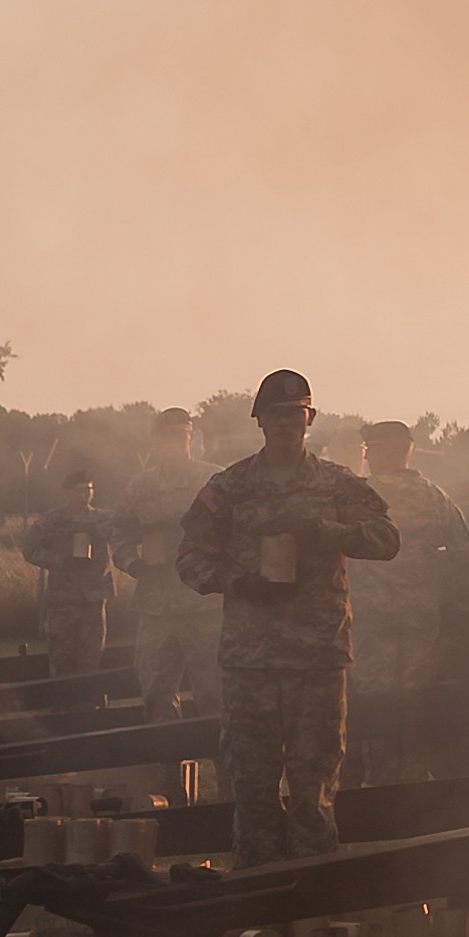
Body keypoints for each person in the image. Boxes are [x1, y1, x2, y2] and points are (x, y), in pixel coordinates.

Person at [175, 370, 400, 869]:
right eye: (275, 415)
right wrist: (236, 581)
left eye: (294, 415)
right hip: (249, 660)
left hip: (318, 657)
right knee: (252, 783)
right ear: (259, 422)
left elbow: (387, 540)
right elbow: (189, 558)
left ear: (310, 419)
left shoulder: (337, 485)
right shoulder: (229, 487)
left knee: (313, 786)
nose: (284, 424)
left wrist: (327, 530)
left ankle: (312, 906)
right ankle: (254, 903)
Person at [351, 419, 469, 782]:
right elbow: (464, 558)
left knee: (376, 713)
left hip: (369, 625)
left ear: (387, 450)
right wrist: (457, 604)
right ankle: (415, 793)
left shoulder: (361, 497)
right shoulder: (435, 496)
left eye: (371, 449)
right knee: (416, 709)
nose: (368, 456)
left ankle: (380, 790)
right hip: (420, 622)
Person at [112, 408, 223, 724]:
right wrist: (131, 562)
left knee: (213, 695)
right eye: (166, 435)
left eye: (179, 433)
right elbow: (119, 531)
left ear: (191, 436)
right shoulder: (140, 486)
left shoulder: (212, 480)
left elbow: (234, 529)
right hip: (156, 607)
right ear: (155, 441)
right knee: (156, 695)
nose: (173, 441)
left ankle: (222, 769)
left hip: (204, 605)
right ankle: (170, 771)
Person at [22, 468, 116, 676]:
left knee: (91, 656)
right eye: (80, 490)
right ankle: (62, 703)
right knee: (62, 656)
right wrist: (59, 562)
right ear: (67, 492)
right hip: (63, 600)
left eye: (89, 489)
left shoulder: (104, 519)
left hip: (93, 599)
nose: (85, 494)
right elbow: (29, 549)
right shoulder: (52, 520)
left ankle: (90, 704)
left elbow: (125, 540)